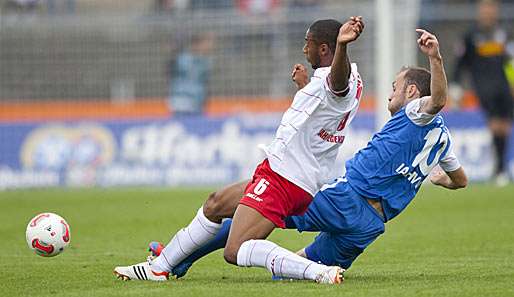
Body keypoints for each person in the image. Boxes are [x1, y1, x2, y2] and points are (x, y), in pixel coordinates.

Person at [147, 28, 468, 281]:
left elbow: (437, 100)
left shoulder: (414, 112)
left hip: (345, 200)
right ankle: (180, 257)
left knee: (257, 207)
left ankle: (178, 258)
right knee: (290, 273)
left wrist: (435, 58)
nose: (390, 93)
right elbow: (461, 180)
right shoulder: (443, 139)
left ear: (412, 91)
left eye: (395, 86)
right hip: (369, 226)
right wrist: (442, 180)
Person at [114, 17, 365, 284]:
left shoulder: (340, 78)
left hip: (286, 177)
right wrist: (305, 87)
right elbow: (325, 112)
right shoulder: (335, 81)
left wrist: (342, 46)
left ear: (324, 49)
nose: (305, 49)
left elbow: (339, 85)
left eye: (308, 43)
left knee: (235, 249)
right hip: (286, 172)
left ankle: (317, 271)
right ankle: (159, 268)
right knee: (215, 204)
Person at [450, 0, 514, 186]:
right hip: (484, 87)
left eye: (491, 8)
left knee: (504, 126)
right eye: (485, 8)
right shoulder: (470, 36)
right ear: (480, 11)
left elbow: (510, 61)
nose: (488, 12)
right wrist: (456, 86)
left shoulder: (504, 34)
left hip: (504, 86)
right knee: (495, 124)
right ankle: (500, 169)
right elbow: (460, 63)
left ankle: (500, 168)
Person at [168, 32, 214, 115]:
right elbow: (171, 73)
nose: (209, 46)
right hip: (181, 101)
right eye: (206, 42)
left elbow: (205, 82)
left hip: (197, 103)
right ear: (196, 44)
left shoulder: (206, 62)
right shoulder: (181, 59)